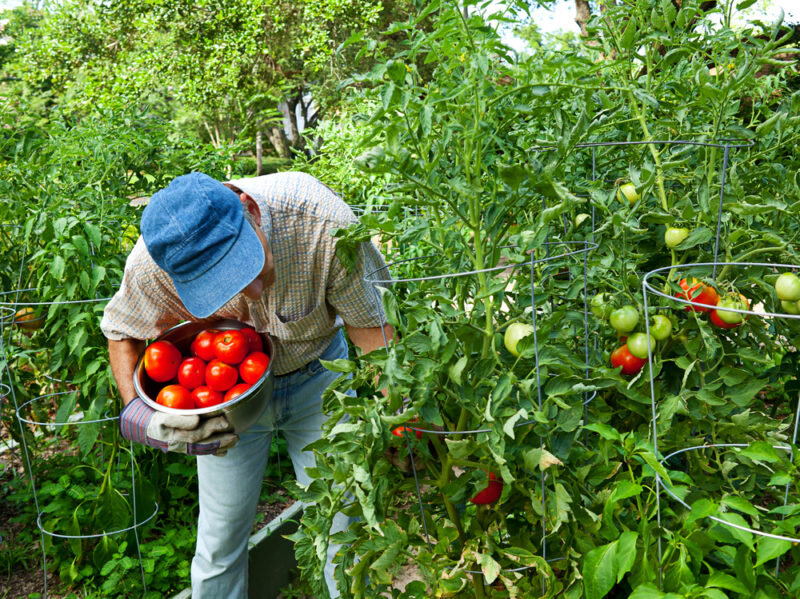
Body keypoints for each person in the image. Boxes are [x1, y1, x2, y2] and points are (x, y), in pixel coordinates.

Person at [100, 171, 392, 598]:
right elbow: (121, 329)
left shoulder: (322, 224)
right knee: (219, 539)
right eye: (223, 285)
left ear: (251, 212)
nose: (252, 292)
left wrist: (397, 416)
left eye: (248, 267)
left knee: (339, 523)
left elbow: (374, 333)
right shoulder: (155, 262)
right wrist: (139, 416)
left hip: (319, 379)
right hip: (226, 406)